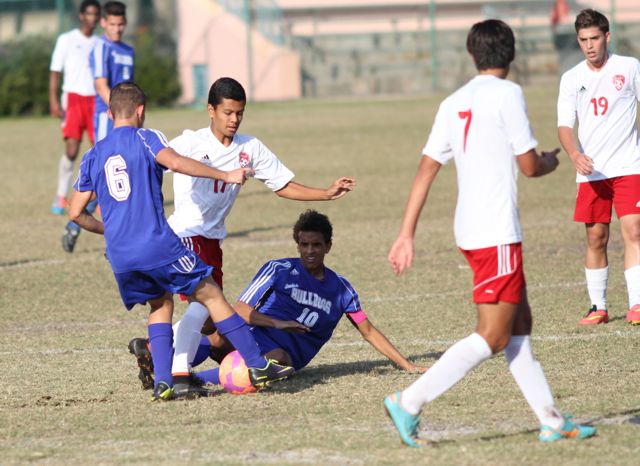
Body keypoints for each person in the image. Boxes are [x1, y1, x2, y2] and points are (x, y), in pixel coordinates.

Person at [383, 19, 596, 447]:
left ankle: (551, 420)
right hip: (495, 232)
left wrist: (406, 233)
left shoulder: (453, 101)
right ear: (511, 54)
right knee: (494, 335)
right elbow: (529, 165)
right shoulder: (509, 95)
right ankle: (408, 401)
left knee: (520, 325)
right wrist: (552, 162)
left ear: (471, 53)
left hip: (471, 229)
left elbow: (427, 169)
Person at [68, 81, 298, 401]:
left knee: (160, 303)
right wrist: (225, 174)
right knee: (212, 295)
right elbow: (175, 162)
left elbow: (76, 212)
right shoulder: (148, 138)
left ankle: (164, 383)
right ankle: (258, 366)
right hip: (156, 243)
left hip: (120, 253)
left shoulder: (93, 155)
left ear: (108, 113)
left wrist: (115, 232)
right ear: (141, 111)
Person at [134, 77, 356, 382]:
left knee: (212, 323)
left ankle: (151, 349)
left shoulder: (250, 148)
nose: (234, 120)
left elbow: (283, 185)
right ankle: (178, 374)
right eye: (228, 113)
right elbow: (150, 164)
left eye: (239, 113)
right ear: (210, 110)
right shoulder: (190, 143)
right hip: (186, 234)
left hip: (212, 240)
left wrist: (326, 193)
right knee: (204, 306)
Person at [128, 210, 425, 391]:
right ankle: (162, 361)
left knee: (278, 358)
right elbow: (241, 311)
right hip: (249, 338)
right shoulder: (279, 269)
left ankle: (197, 379)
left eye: (316, 245)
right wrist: (278, 322)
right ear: (297, 243)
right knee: (215, 329)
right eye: (304, 244)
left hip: (284, 358)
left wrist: (406, 365)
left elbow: (368, 330)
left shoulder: (341, 290)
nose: (310, 251)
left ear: (328, 247)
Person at [557, 9, 640, 326]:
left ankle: (636, 304)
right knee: (596, 238)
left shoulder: (629, 67)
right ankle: (598, 307)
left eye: (594, 38)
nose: (589, 45)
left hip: (629, 165)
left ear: (607, 36)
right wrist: (574, 154)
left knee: (634, 230)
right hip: (591, 171)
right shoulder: (572, 78)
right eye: (583, 40)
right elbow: (564, 125)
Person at [63, 0, 135, 253]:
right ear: (104, 23)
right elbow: (101, 85)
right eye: (112, 24)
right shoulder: (100, 48)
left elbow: (131, 90)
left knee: (123, 177)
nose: (116, 29)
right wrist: (120, 113)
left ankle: (117, 237)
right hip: (109, 122)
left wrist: (135, 117)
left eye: (120, 24)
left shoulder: (128, 50)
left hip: (128, 122)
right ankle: (77, 221)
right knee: (104, 178)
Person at [48, 0, 101, 215]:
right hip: (73, 98)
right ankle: (61, 195)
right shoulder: (66, 40)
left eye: (96, 15)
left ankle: (100, 198)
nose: (93, 18)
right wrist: (53, 100)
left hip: (96, 100)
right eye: (89, 14)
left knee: (100, 149)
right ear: (82, 15)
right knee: (71, 149)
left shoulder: (100, 42)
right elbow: (55, 71)